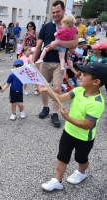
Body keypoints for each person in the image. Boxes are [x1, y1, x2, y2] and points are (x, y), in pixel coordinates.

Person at [40, 63, 107, 191]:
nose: (80, 76)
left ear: (96, 81)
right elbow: (59, 98)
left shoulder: (97, 103)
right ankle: (57, 180)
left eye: (85, 75)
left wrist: (68, 118)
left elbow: (87, 125)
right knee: (62, 156)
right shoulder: (78, 90)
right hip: (68, 132)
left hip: (84, 137)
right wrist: (47, 90)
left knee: (81, 158)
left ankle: (82, 172)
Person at [32, 1, 78, 128]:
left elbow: (74, 43)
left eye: (58, 11)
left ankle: (54, 113)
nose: (55, 14)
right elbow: (38, 46)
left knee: (57, 88)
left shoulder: (71, 27)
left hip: (60, 62)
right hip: (45, 61)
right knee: (43, 87)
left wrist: (58, 43)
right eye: (53, 12)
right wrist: (35, 62)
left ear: (63, 11)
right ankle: (45, 107)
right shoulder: (46, 27)